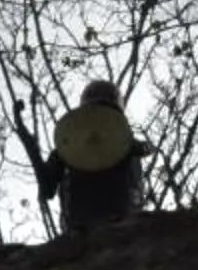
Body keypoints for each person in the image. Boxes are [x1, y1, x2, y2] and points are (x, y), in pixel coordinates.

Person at [38, 78, 144, 233]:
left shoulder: (126, 143)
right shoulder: (68, 148)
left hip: (120, 219)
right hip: (82, 224)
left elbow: (47, 190)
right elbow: (47, 189)